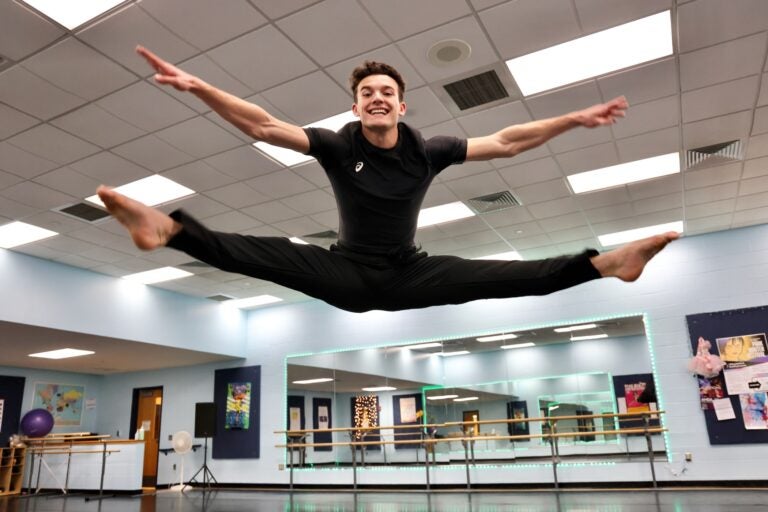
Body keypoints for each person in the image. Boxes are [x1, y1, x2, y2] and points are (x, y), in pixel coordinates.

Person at [97, 46, 679, 313]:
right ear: (356, 108)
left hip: (410, 273)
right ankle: (168, 230)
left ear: (402, 108)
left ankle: (606, 265)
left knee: (505, 277)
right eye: (367, 94)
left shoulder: (430, 149)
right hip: (345, 271)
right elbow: (266, 126)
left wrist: (572, 119)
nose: (377, 98)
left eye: (387, 93)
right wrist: (199, 87)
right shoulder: (335, 142)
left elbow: (506, 142)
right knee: (263, 252)